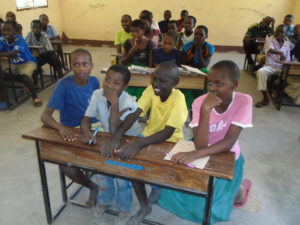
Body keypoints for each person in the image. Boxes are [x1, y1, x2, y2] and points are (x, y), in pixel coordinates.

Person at [158, 60, 253, 225]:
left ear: (234, 84)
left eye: (219, 83)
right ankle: (233, 190)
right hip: (201, 149)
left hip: (227, 156)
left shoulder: (244, 101)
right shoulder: (199, 102)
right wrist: (205, 109)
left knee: (209, 209)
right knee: (169, 190)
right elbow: (201, 144)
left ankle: (238, 190)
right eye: (210, 83)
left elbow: (229, 142)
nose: (213, 88)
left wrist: (193, 154)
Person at [102, 61, 188, 225]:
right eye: (154, 78)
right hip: (149, 134)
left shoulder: (179, 99)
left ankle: (156, 187)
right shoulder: (150, 90)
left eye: (162, 81)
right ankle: (144, 206)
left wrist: (138, 144)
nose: (156, 84)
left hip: (171, 141)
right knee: (132, 163)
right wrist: (117, 136)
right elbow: (135, 113)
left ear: (175, 83)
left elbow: (168, 131)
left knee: (154, 168)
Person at [41, 48, 101, 209]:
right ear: (71, 66)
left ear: (91, 66)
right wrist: (60, 128)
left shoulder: (95, 81)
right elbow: (45, 116)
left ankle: (103, 182)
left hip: (93, 128)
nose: (81, 68)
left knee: (107, 157)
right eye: (76, 64)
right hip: (71, 131)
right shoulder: (64, 85)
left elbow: (98, 107)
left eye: (85, 64)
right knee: (67, 167)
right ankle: (92, 187)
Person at [81, 64, 140, 224]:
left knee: (122, 177)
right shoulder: (97, 94)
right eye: (107, 79)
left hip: (128, 139)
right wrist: (86, 131)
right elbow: (86, 119)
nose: (109, 85)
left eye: (116, 83)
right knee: (102, 173)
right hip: (108, 137)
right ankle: (106, 201)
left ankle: (124, 208)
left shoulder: (128, 102)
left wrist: (114, 103)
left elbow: (116, 132)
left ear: (125, 86)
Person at [0, 20, 41, 107]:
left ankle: (35, 97)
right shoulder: (2, 40)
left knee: (25, 77)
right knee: (3, 74)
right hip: (14, 64)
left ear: (14, 31)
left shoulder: (19, 39)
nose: (5, 32)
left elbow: (14, 53)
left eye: (8, 30)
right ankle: (3, 99)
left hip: (28, 62)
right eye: (3, 30)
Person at [255, 25, 291, 107]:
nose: (279, 34)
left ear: (285, 34)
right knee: (260, 72)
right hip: (270, 66)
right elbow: (270, 50)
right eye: (277, 31)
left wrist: (285, 62)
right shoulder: (270, 40)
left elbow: (288, 59)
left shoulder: (287, 44)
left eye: (282, 32)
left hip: (282, 67)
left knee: (287, 78)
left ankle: (277, 93)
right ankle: (265, 98)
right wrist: (281, 53)